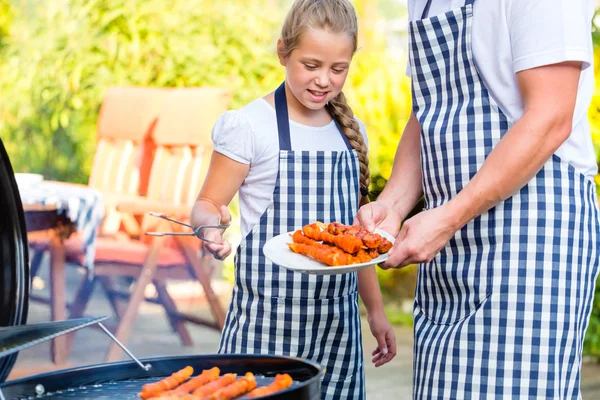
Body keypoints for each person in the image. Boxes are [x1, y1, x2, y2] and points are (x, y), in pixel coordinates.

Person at [355, 0, 600, 398]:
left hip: (531, 232)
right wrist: (395, 205)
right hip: (448, 239)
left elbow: (550, 115)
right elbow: (429, 110)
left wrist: (448, 217)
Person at [190, 1, 397, 398]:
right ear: (283, 52)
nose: (323, 80)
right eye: (311, 65)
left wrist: (376, 312)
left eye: (338, 69)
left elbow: (358, 244)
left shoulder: (351, 133)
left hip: (338, 331)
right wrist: (210, 227)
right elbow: (206, 203)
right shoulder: (250, 126)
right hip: (266, 326)